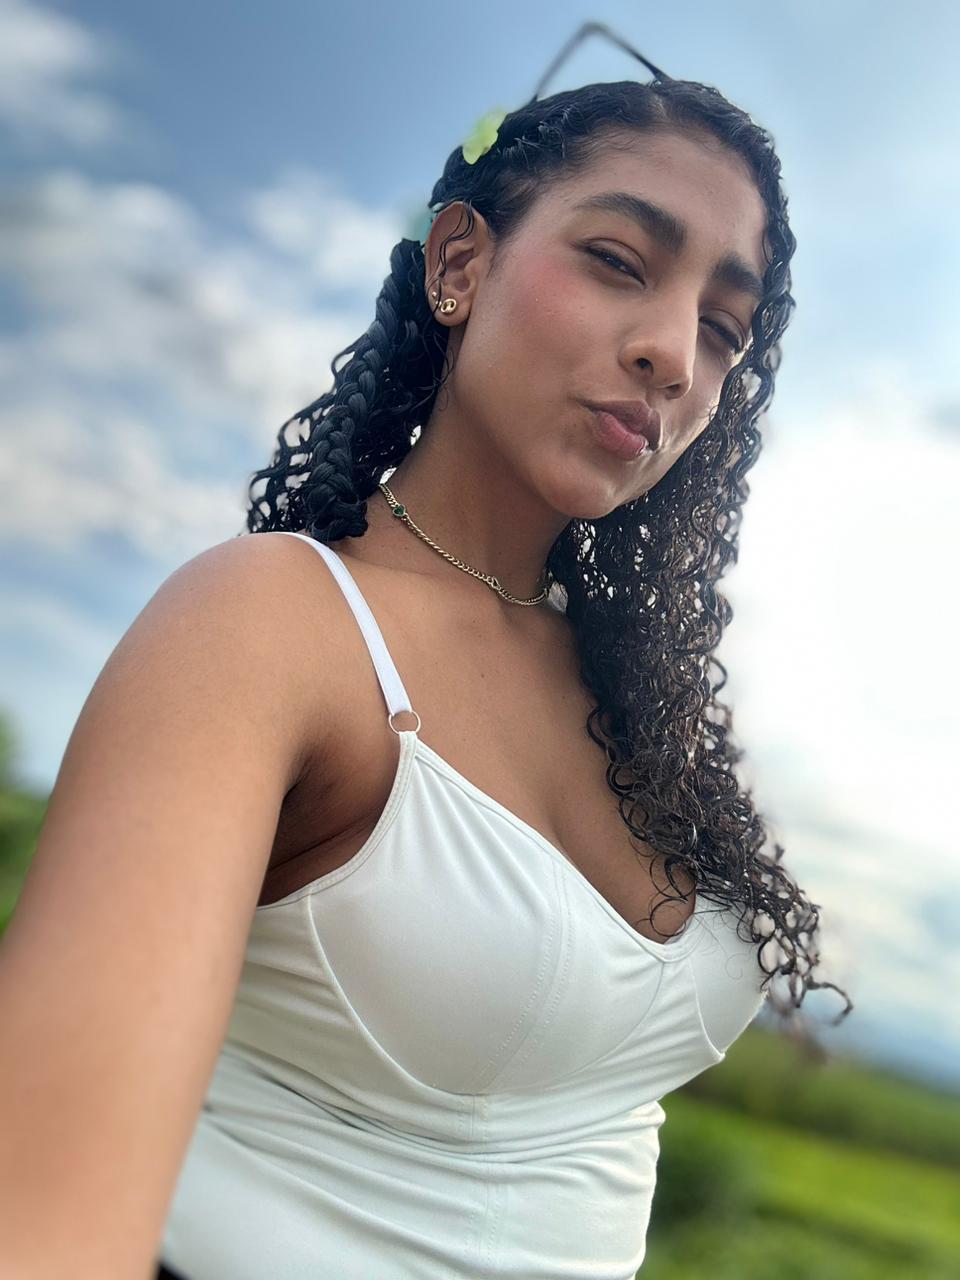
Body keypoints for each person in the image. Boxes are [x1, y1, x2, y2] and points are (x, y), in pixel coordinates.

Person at [0, 24, 852, 1280]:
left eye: (724, 329)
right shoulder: (272, 624)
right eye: (620, 261)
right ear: (460, 261)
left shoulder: (639, 705)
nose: (674, 354)